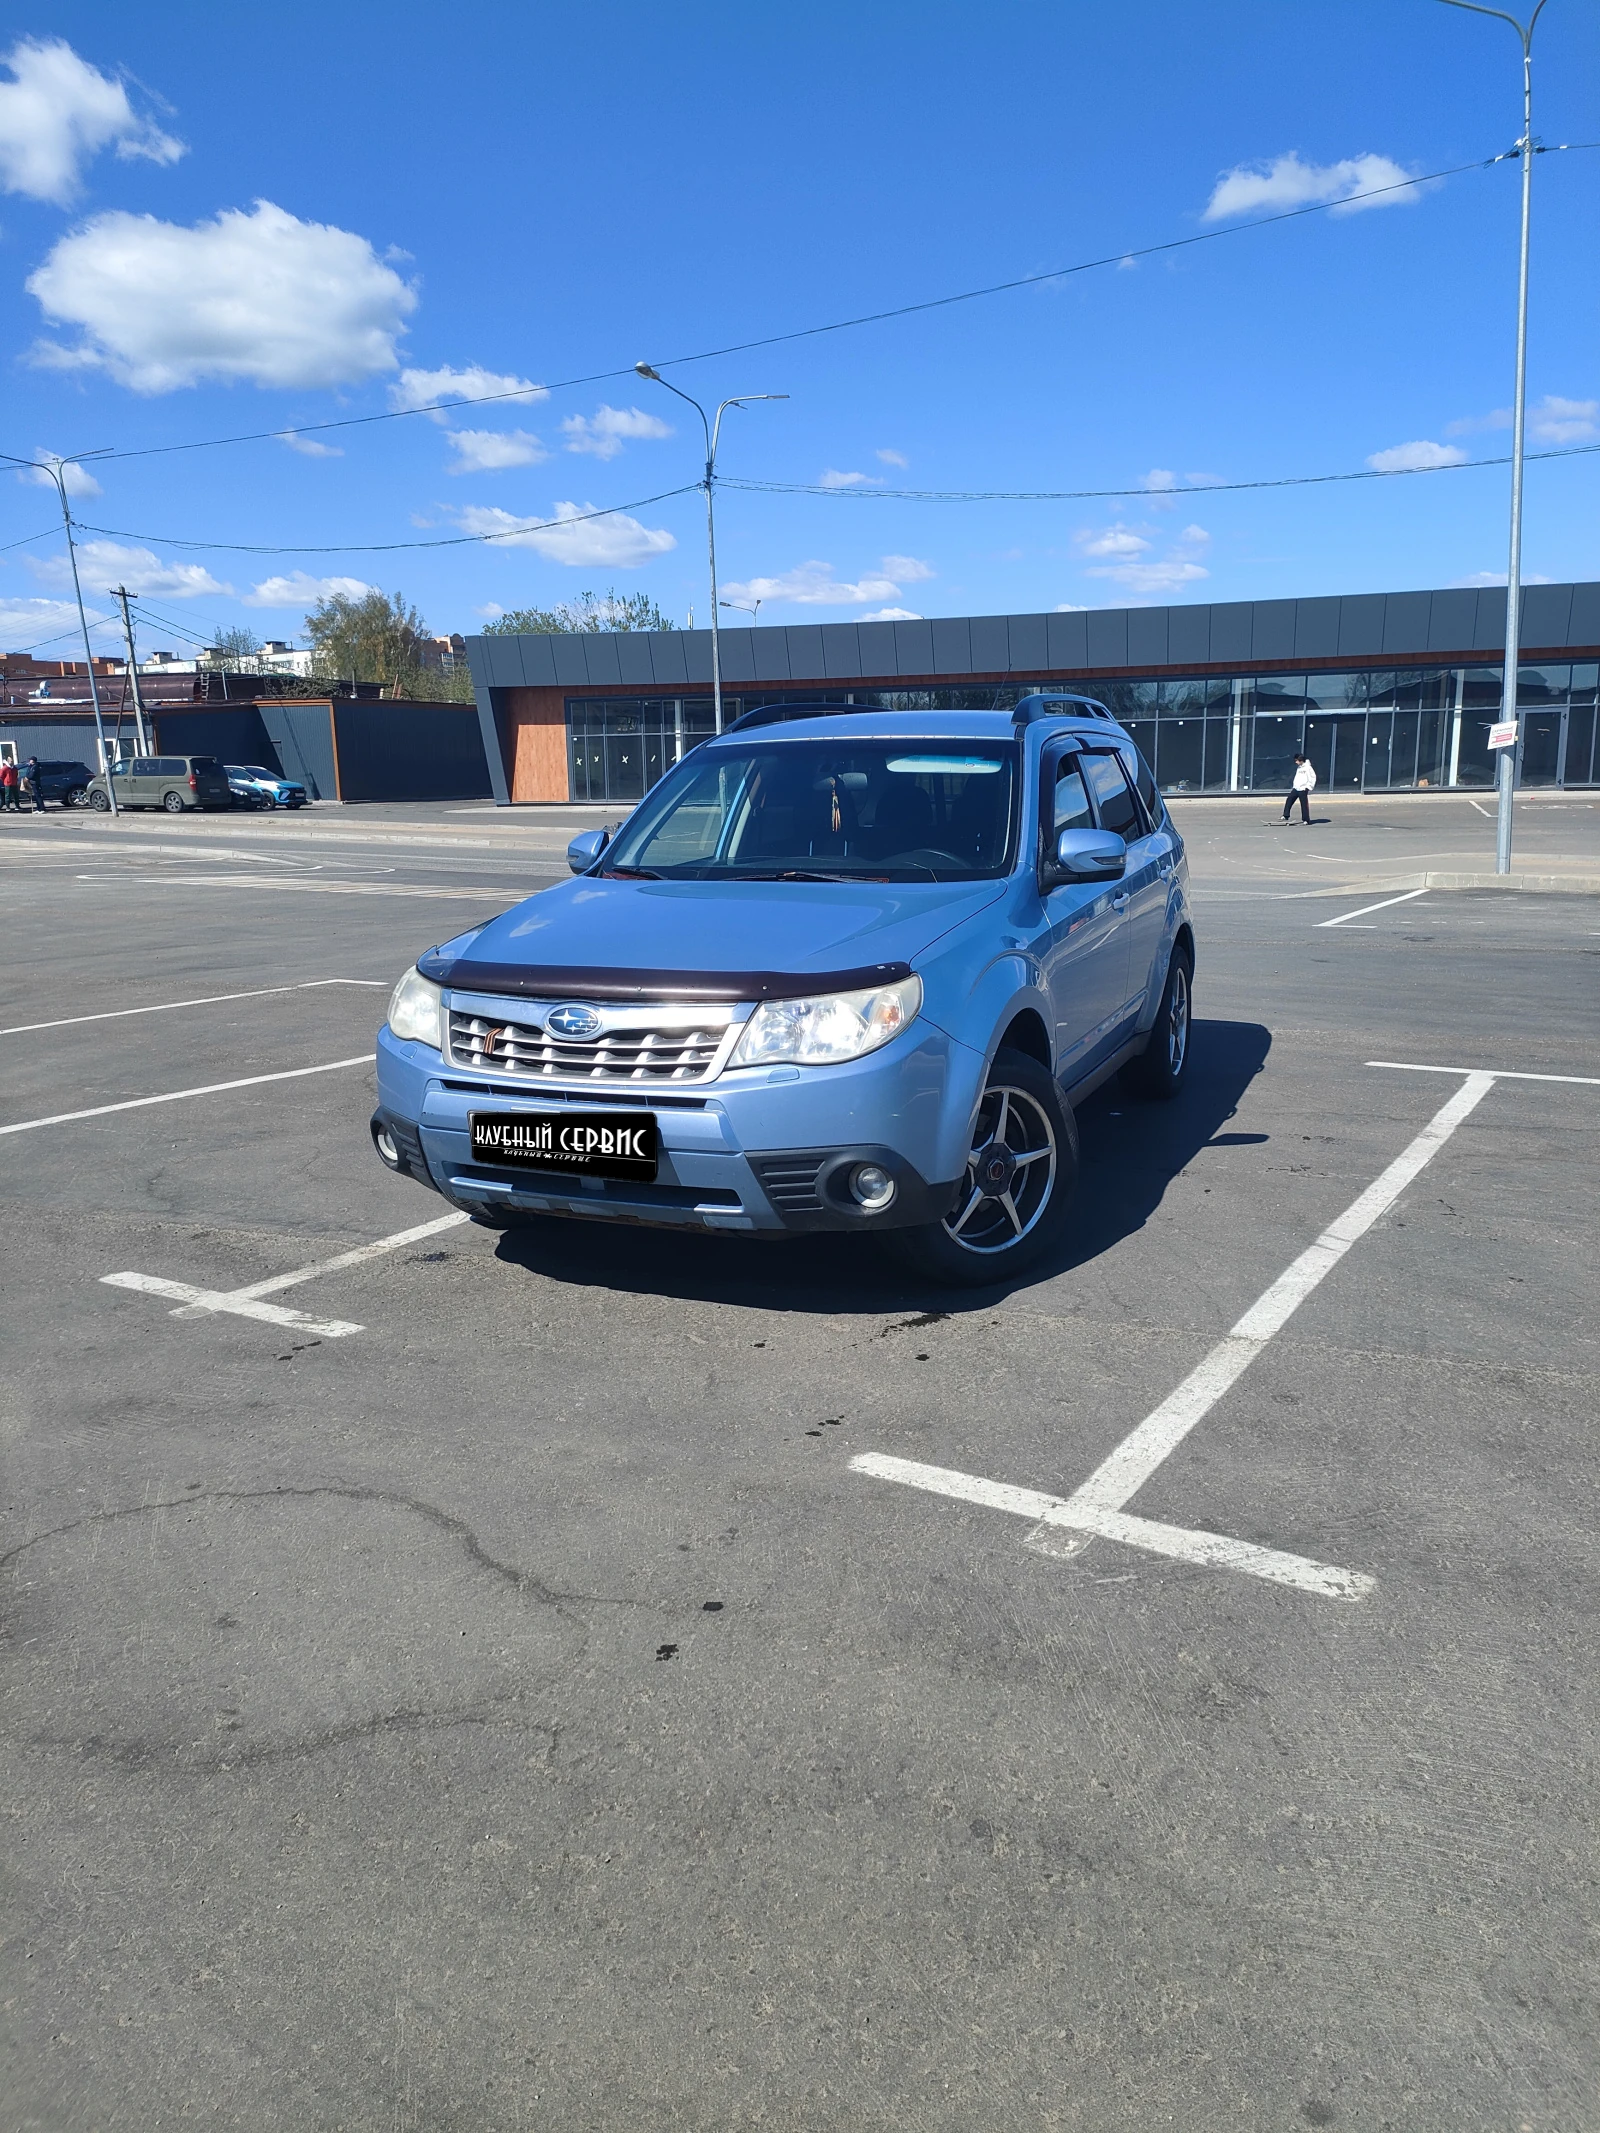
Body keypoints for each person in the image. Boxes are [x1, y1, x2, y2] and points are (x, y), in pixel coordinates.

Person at [1282, 752, 1316, 825]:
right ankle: (1286, 815)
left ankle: (1306, 820)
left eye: (1296, 760)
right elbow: (1297, 777)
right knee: (1289, 799)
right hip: (1296, 788)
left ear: (1301, 760)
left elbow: (1313, 777)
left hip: (1303, 788)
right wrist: (1295, 785)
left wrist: (1308, 787)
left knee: (1304, 804)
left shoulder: (1308, 768)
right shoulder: (1299, 768)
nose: (1296, 762)